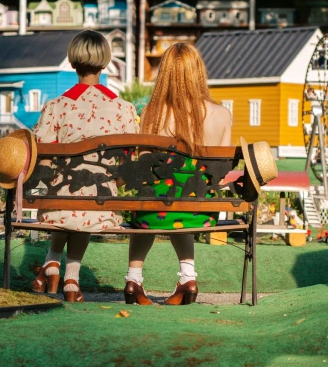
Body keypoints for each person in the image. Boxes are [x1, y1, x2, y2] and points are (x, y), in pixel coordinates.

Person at [31, 30, 139, 302]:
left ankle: (53, 265)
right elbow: (128, 164)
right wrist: (114, 183)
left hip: (58, 201)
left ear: (72, 62)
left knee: (67, 198)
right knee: (87, 200)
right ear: (105, 63)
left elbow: (43, 160)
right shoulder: (124, 109)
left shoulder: (56, 106)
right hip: (101, 204)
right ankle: (70, 279)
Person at [123, 43, 232, 306]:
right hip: (198, 210)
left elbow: (146, 165)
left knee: (158, 194)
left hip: (153, 210)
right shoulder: (221, 114)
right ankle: (187, 277)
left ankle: (133, 279)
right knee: (183, 193)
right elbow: (223, 170)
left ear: (165, 74)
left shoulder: (151, 112)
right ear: (198, 73)